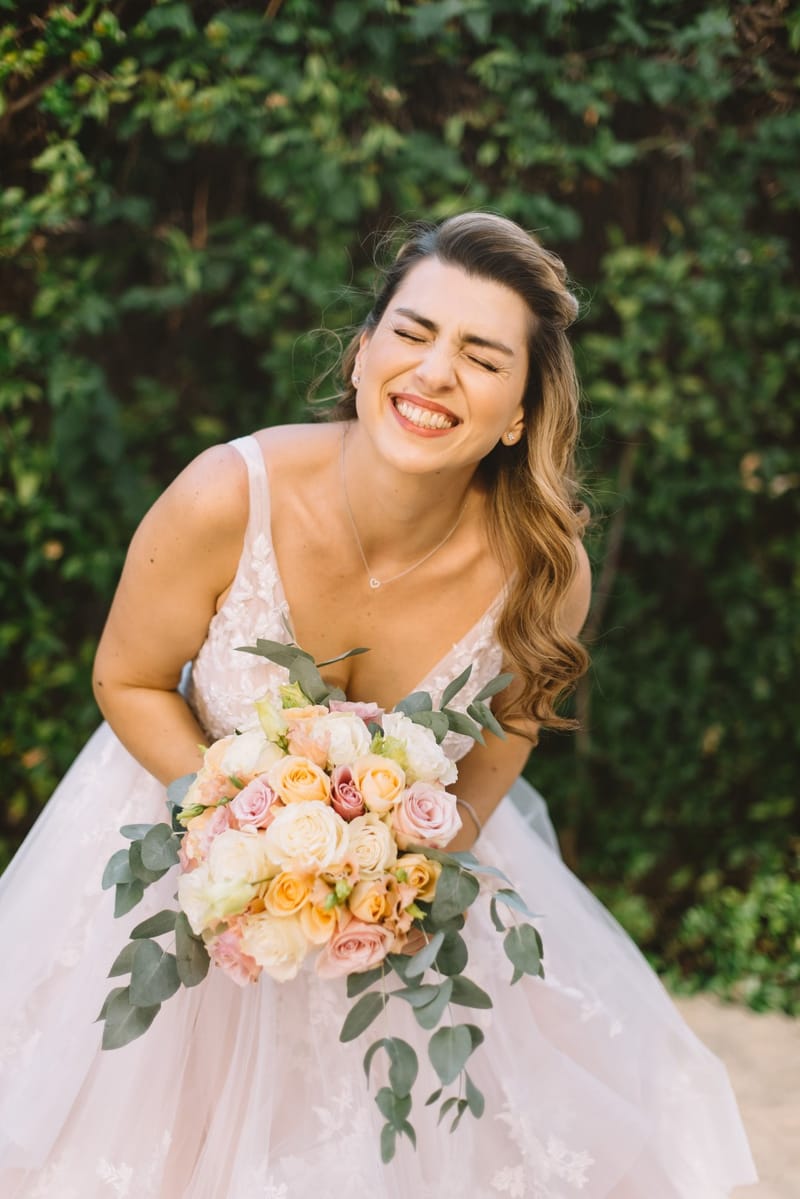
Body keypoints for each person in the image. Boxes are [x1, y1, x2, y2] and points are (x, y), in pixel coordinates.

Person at [0, 213, 756, 1197]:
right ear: (361, 355)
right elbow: (128, 678)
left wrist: (402, 875)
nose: (434, 372)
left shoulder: (544, 570)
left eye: (481, 356)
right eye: (412, 332)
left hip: (396, 908)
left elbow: (500, 743)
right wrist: (235, 826)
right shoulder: (225, 494)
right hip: (179, 854)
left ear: (520, 413)